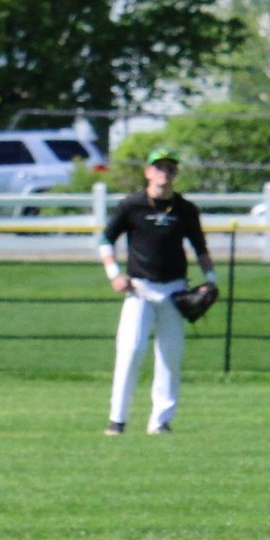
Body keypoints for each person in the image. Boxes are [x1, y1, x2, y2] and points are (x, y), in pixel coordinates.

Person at [98, 146, 215, 435]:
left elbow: (200, 248)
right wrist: (114, 273)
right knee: (130, 351)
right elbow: (105, 240)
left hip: (175, 292)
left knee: (170, 357)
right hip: (139, 290)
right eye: (159, 166)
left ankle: (160, 421)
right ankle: (117, 420)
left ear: (175, 173)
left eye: (170, 167)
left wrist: (211, 279)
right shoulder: (132, 205)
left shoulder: (186, 209)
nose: (165, 172)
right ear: (148, 172)